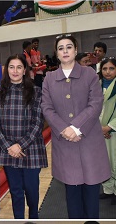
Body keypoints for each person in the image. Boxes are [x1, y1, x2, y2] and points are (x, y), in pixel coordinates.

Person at [40, 34, 111, 219]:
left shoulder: (89, 74)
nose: (65, 51)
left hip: (89, 140)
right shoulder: (49, 78)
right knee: (71, 192)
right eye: (61, 48)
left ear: (76, 50)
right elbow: (46, 107)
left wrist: (76, 128)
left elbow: (96, 103)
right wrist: (64, 129)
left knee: (91, 192)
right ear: (56, 53)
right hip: (65, 142)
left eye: (69, 47)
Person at [0, 54, 46, 219]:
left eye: (19, 67)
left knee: (31, 189)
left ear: (24, 70)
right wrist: (9, 146)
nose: (15, 71)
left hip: (31, 149)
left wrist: (20, 145)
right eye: (11, 67)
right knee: (15, 191)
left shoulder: (36, 91)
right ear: (7, 70)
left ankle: (34, 217)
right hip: (8, 150)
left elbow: (38, 122)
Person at [99, 57, 116, 205]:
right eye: (104, 69)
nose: (108, 72)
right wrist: (100, 129)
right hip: (100, 131)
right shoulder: (97, 85)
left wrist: (109, 127)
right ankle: (108, 190)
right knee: (105, 162)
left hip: (113, 131)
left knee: (115, 162)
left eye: (111, 68)